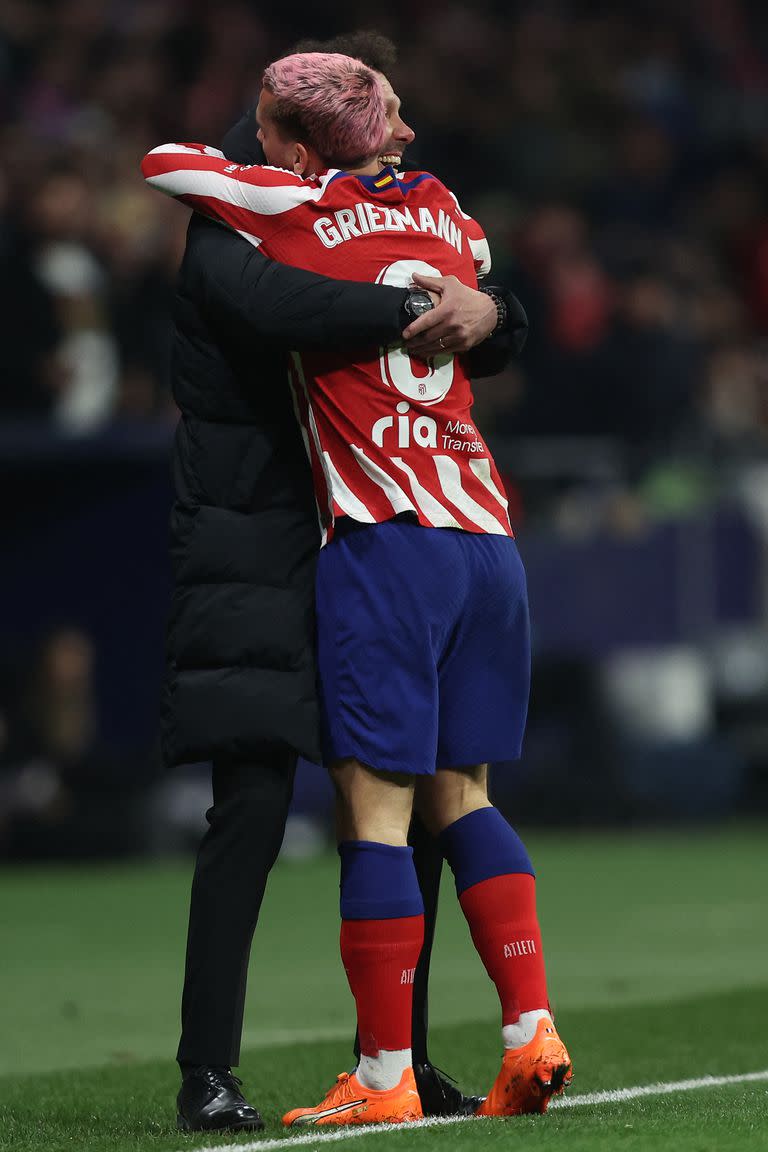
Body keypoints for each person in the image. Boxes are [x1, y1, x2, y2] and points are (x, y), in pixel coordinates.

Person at [143, 49, 571, 1128]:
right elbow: (289, 308)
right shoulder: (257, 234)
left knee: (403, 804)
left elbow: (458, 296)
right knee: (256, 806)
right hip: (268, 550)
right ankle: (211, 1070)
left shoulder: (296, 206)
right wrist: (435, 308)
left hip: (365, 533)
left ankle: (398, 1063)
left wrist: (493, 315)